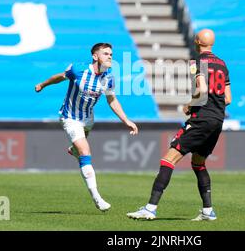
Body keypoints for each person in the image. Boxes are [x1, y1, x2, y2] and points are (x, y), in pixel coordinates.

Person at [127, 29, 231, 221]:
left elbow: (202, 89)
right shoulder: (223, 65)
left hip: (201, 119)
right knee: (198, 163)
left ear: (197, 42)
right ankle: (208, 211)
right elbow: (228, 99)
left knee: (169, 159)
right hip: (217, 120)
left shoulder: (196, 62)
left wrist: (189, 104)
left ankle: (150, 208)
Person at [35, 43, 138, 212]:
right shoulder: (78, 70)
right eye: (106, 53)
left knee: (79, 149)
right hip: (70, 117)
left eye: (111, 53)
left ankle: (73, 150)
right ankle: (97, 198)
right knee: (85, 152)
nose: (110, 56)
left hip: (88, 119)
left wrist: (126, 120)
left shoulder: (109, 77)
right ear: (95, 56)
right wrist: (42, 84)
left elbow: (112, 100)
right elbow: (59, 77)